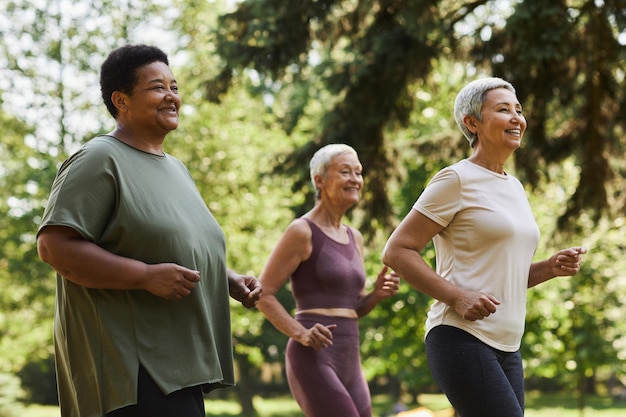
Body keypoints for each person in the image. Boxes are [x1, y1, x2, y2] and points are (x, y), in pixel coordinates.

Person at [36, 44, 262, 417]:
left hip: (182, 364)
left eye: (174, 87)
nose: (171, 96)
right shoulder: (98, 159)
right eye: (158, 87)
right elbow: (55, 247)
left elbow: (175, 247)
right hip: (131, 372)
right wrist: (143, 276)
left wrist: (229, 280)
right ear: (120, 100)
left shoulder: (176, 169)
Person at [382, 77, 587, 417]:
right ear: (472, 122)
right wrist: (457, 297)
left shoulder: (515, 188)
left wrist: (549, 268)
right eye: (503, 109)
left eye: (518, 110)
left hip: (508, 345)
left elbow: (502, 277)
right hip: (460, 337)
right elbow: (397, 250)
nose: (516, 118)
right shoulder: (456, 179)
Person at [257, 143, 400, 417]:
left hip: (349, 354)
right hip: (312, 355)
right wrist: (300, 332)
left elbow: (353, 309)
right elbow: (264, 294)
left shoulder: (354, 237)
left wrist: (376, 295)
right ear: (320, 180)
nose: (355, 179)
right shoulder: (302, 231)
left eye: (358, 172)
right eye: (345, 172)